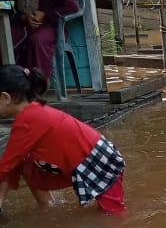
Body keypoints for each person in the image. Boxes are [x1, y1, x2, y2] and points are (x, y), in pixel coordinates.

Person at [0, 65, 126, 216]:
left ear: (5, 98)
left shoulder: (28, 120)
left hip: (99, 162)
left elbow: (5, 165)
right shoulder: (33, 111)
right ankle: (46, 207)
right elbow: (11, 163)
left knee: (114, 216)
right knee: (24, 160)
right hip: (87, 159)